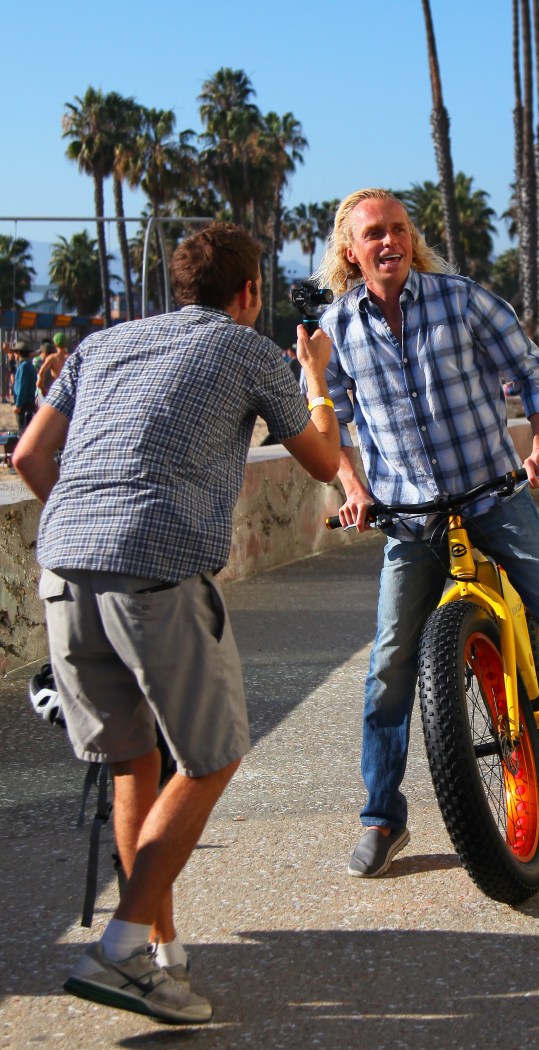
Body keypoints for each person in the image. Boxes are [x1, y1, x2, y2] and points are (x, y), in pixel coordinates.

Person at [13, 222, 340, 1025]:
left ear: (178, 287)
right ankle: (122, 948)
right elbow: (326, 462)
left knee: (134, 764)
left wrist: (90, 524)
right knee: (213, 756)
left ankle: (160, 954)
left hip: (63, 569)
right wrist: (316, 377)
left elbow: (26, 459)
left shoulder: (101, 346)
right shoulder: (251, 352)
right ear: (251, 293)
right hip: (154, 573)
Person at [314, 188, 539, 879]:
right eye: (374, 234)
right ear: (351, 250)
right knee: (387, 672)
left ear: (411, 237)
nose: (389, 242)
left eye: (398, 229)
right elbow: (332, 423)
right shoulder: (337, 328)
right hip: (411, 519)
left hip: (494, 494)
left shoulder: (460, 298)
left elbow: (526, 367)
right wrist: (353, 487)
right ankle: (381, 815)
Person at [12, 340, 38, 434]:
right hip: (30, 403)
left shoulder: (23, 366)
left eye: (15, 353)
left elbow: (22, 387)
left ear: (18, 353)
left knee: (23, 432)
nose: (14, 355)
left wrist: (18, 405)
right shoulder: (30, 365)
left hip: (24, 405)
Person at [37, 333, 70, 398]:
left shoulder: (52, 358)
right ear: (66, 344)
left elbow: (41, 372)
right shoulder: (70, 357)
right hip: (68, 390)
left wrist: (42, 387)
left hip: (56, 388)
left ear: (55, 345)